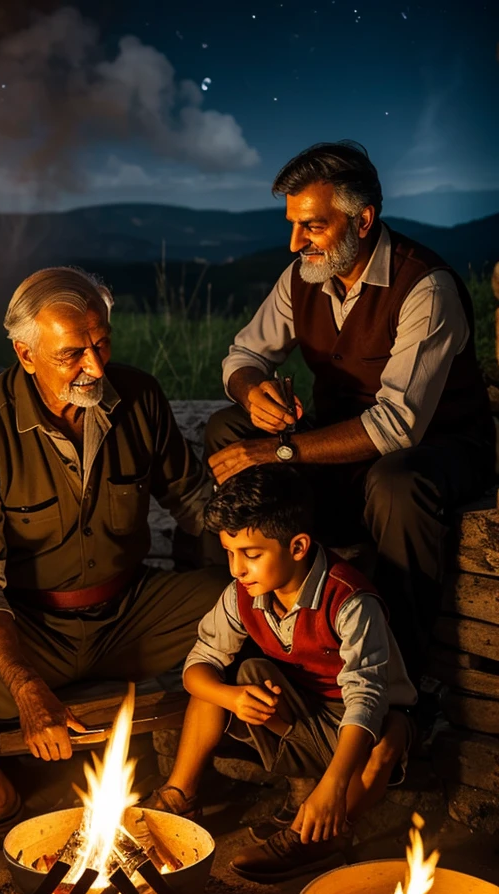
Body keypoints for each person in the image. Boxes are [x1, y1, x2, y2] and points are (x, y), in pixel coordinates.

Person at [0, 266, 227, 858]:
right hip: (31, 630)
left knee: (249, 603)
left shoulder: (138, 397)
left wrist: (268, 563)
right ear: (25, 353)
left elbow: (193, 501)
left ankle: (183, 789)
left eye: (102, 342)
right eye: (72, 354)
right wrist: (24, 682)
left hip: (133, 616)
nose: (94, 366)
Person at [204, 141, 495, 682]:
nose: (295, 243)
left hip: (439, 448)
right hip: (342, 443)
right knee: (228, 428)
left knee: (395, 482)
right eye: (293, 224)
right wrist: (252, 393)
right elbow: (244, 355)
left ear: (362, 220)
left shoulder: (426, 288)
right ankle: (260, 624)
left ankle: (398, 678)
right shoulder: (305, 277)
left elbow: (396, 427)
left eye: (312, 227)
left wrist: (280, 448)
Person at [152, 464, 417, 882]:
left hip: (358, 733)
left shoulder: (349, 601)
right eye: (229, 553)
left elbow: (366, 702)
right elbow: (198, 665)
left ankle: (321, 835)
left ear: (297, 547)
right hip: (304, 719)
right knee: (231, 677)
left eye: (251, 555)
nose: (237, 568)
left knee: (390, 734)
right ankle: (178, 796)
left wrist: (333, 787)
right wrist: (232, 698)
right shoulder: (241, 593)